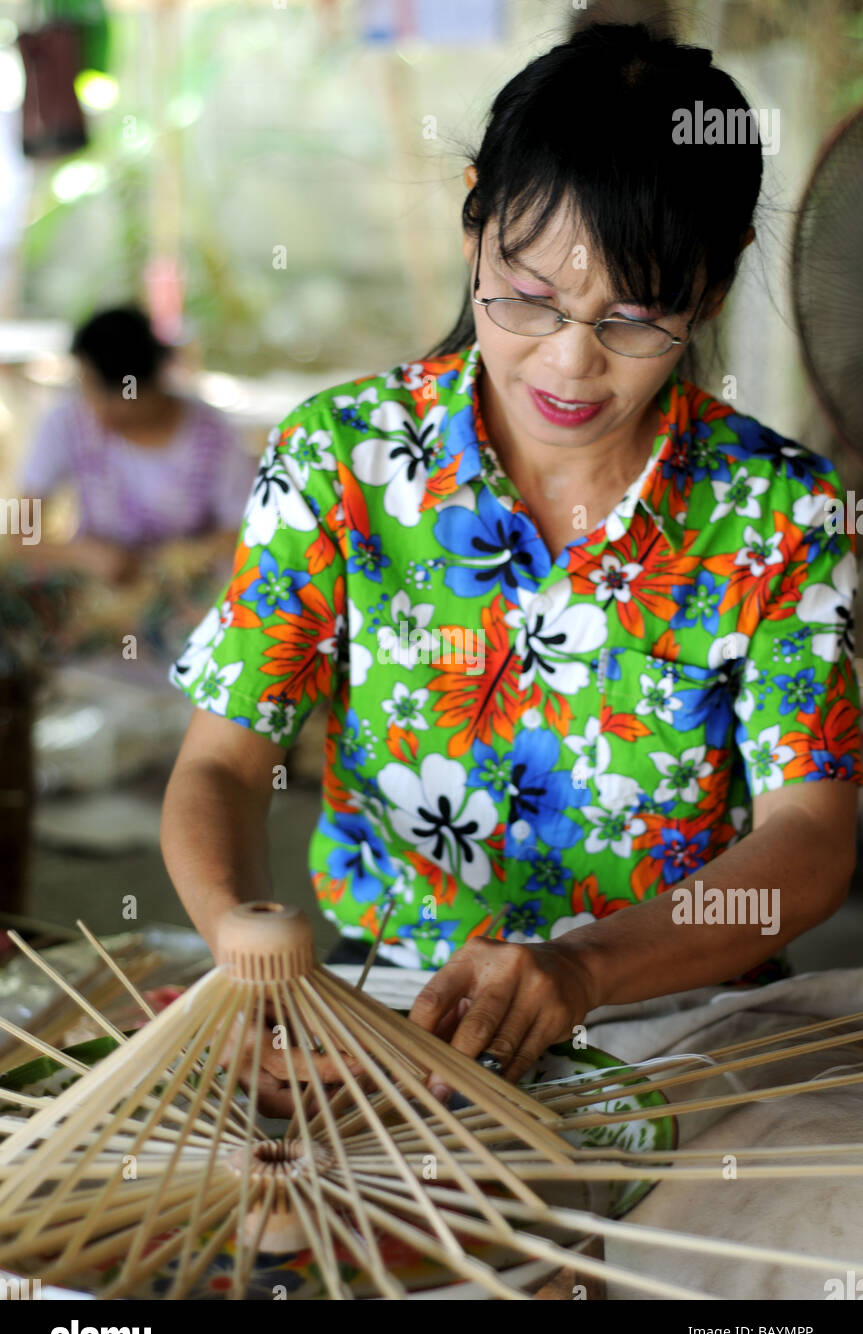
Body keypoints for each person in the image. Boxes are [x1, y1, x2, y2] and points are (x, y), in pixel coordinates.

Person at [161, 20, 861, 1114]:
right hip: (378, 1006)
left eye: (633, 318)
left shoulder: (776, 511)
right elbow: (222, 763)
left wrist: (586, 968)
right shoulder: (341, 459)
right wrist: (240, 939)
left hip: (682, 1019)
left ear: (711, 289)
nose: (569, 363)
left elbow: (810, 833)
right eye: (527, 300)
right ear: (475, 216)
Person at [13, 305, 253, 585]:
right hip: (95, 595)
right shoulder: (68, 421)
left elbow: (243, 530)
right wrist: (82, 554)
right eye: (86, 387)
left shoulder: (213, 436)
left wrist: (188, 558)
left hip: (182, 597)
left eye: (104, 393)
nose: (95, 406)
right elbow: (20, 529)